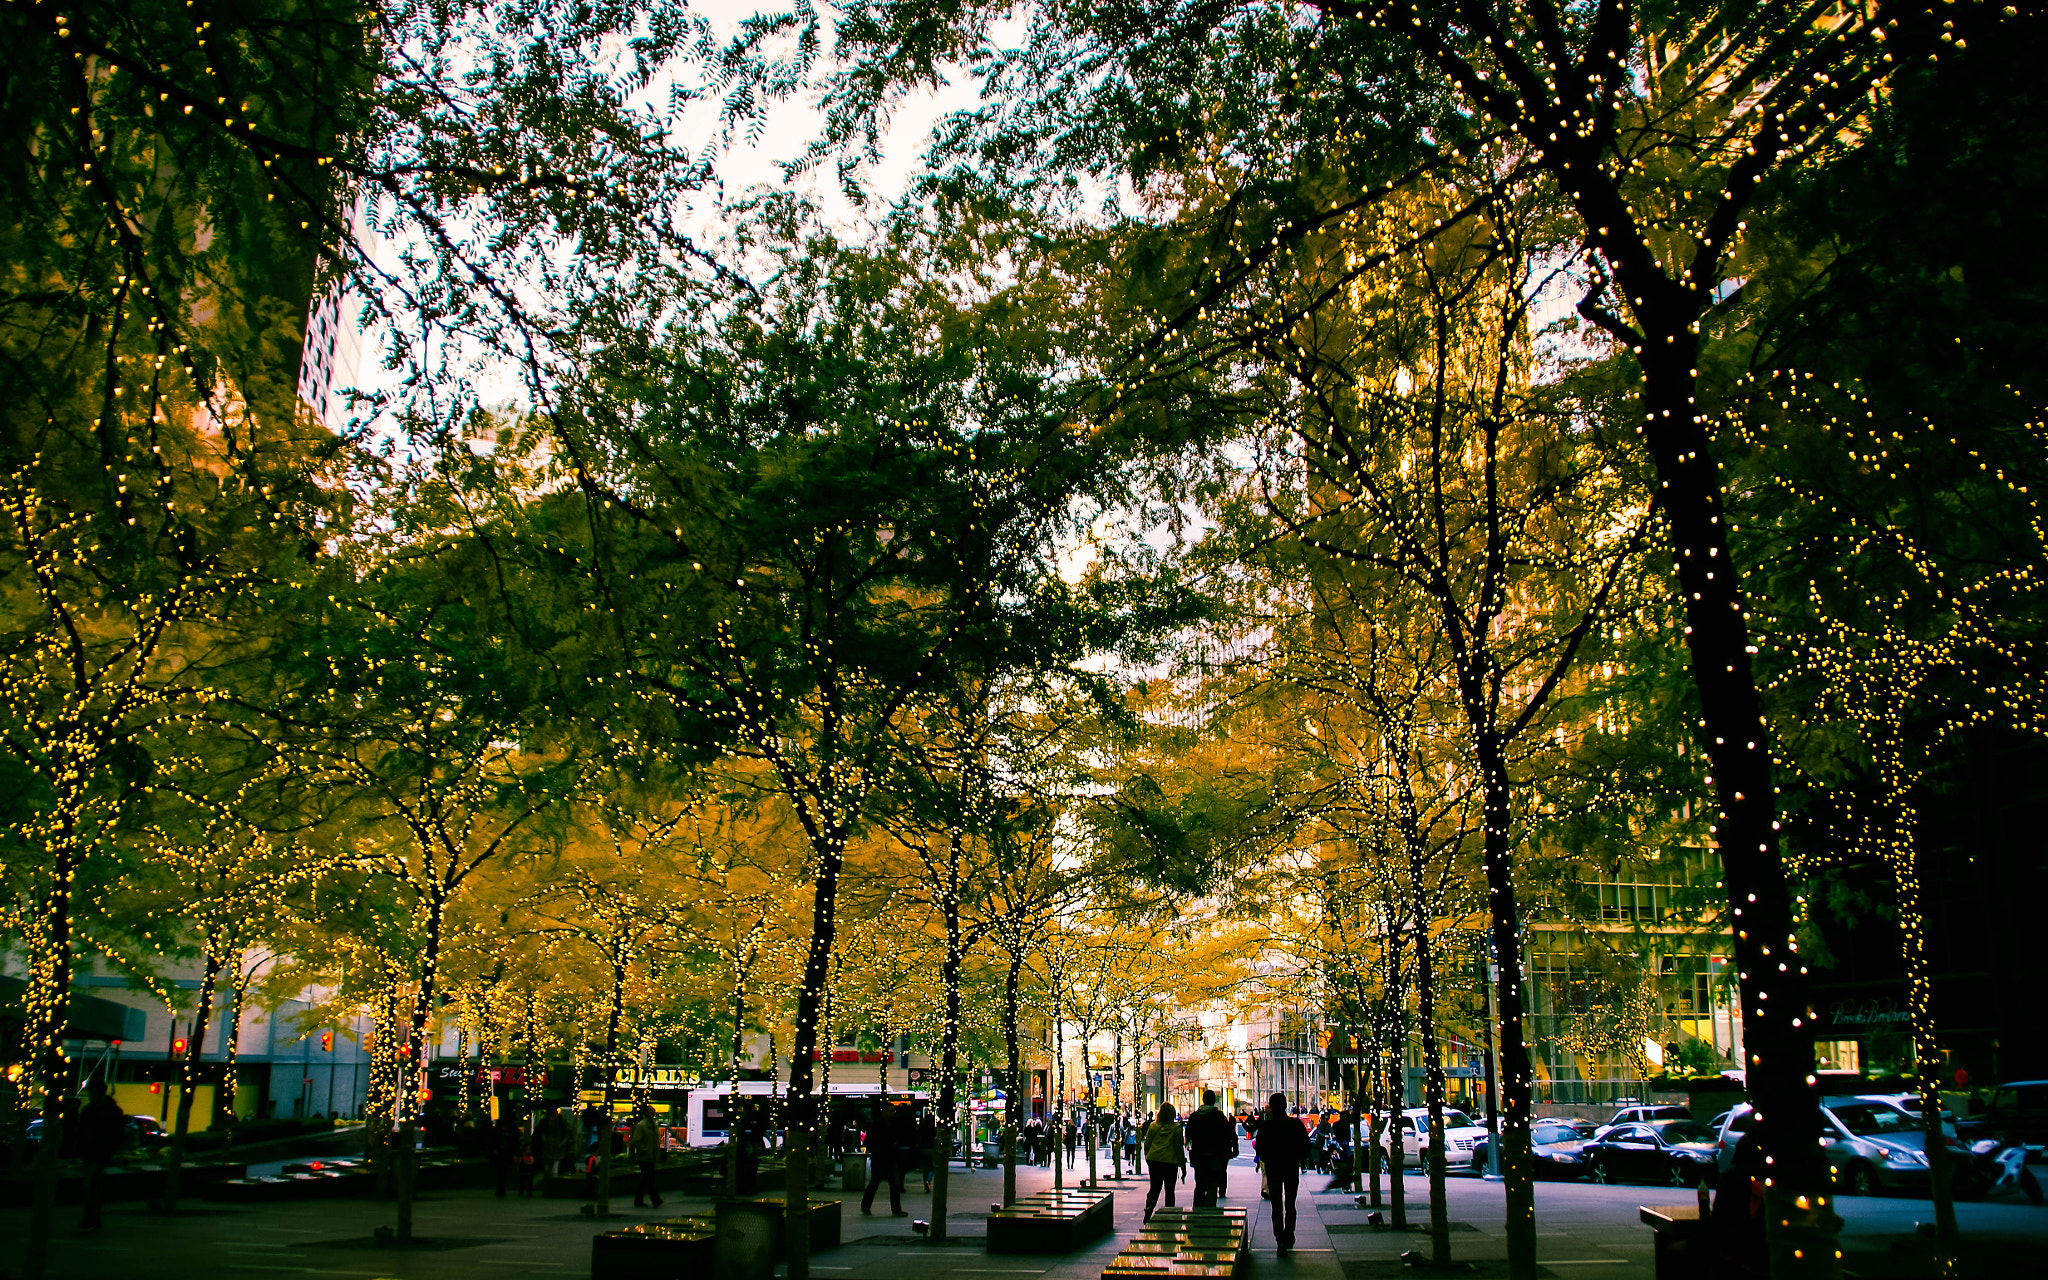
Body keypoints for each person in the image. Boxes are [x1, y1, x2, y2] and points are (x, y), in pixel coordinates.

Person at [1255, 1093, 1309, 1255]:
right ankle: (1289, 1234)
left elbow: (1260, 1149)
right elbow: (1305, 1146)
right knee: (1290, 1204)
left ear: (1271, 1106)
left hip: (1273, 1168)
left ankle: (1280, 1239)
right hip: (1291, 1167)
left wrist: (1269, 1159)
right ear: (1285, 1105)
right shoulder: (1295, 1124)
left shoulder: (1266, 1127)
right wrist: (1297, 1158)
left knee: (1276, 1206)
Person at [75, 1080, 126, 1231]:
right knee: (93, 1187)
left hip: (97, 1153)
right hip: (96, 1153)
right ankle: (93, 1218)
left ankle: (90, 1218)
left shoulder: (93, 1111)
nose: (90, 1095)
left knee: (89, 1185)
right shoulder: (108, 1110)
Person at [1185, 1089, 1237, 1207]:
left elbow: (1188, 1136)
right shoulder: (1219, 1116)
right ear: (1214, 1101)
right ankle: (1210, 1211)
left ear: (1203, 1100)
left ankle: (1197, 1210)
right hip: (1215, 1155)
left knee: (1199, 1185)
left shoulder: (1194, 1116)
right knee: (1212, 1184)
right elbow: (1229, 1133)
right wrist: (1233, 1148)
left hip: (1199, 1156)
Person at [861, 1101, 910, 1216]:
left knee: (892, 1184)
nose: (892, 1113)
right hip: (880, 1158)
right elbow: (869, 1141)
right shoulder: (878, 1125)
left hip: (888, 1158)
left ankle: (895, 1209)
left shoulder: (892, 1124)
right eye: (890, 1111)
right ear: (884, 1112)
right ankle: (867, 1206)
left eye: (893, 1111)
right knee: (877, 1183)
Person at [1142, 1102, 1186, 1222]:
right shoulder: (1176, 1129)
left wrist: (1148, 1158)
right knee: (1169, 1190)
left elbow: (1147, 1145)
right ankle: (1168, 1215)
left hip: (1154, 1161)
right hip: (1170, 1163)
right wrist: (1183, 1166)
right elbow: (1179, 1149)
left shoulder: (1153, 1126)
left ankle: (1148, 1212)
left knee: (1154, 1189)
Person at [629, 1104, 665, 1208]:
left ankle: (638, 1200)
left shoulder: (652, 1125)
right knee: (649, 1179)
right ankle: (655, 1199)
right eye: (651, 1110)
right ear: (646, 1113)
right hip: (645, 1157)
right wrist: (645, 1151)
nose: (653, 1112)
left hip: (651, 1156)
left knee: (645, 1179)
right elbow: (637, 1141)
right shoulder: (642, 1125)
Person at [490, 1111, 524, 1197]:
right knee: (504, 1170)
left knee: (500, 1171)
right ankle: (502, 1187)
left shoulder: (499, 1128)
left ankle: (501, 1188)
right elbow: (515, 1141)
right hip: (507, 1152)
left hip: (501, 1152)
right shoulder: (513, 1129)